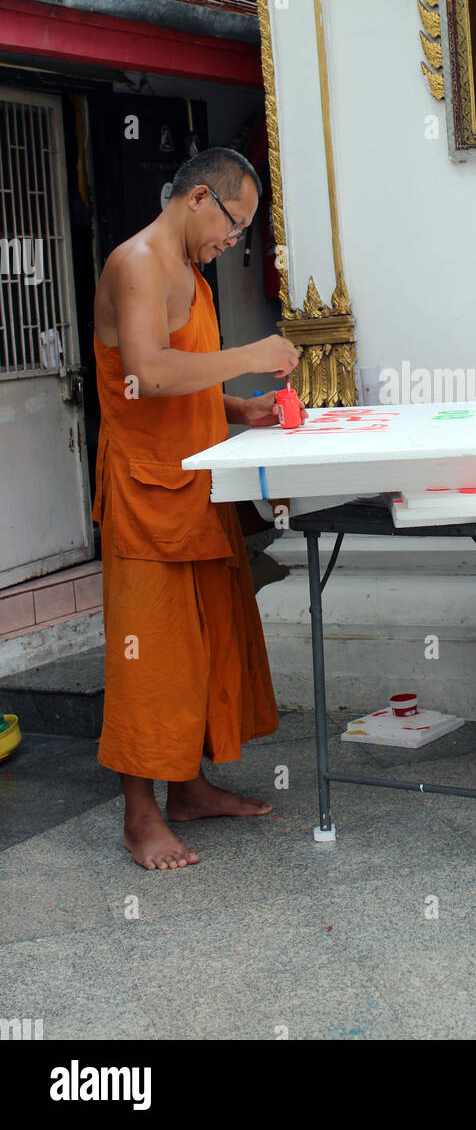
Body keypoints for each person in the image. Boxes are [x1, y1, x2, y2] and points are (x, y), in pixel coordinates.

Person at [92, 146, 302, 871]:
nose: (232, 242)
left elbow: (185, 380)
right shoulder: (138, 263)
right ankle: (140, 816)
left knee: (205, 646)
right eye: (234, 224)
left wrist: (239, 409)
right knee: (151, 657)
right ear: (198, 198)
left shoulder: (190, 272)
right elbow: (147, 373)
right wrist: (249, 355)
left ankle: (190, 791)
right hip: (147, 494)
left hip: (199, 486)